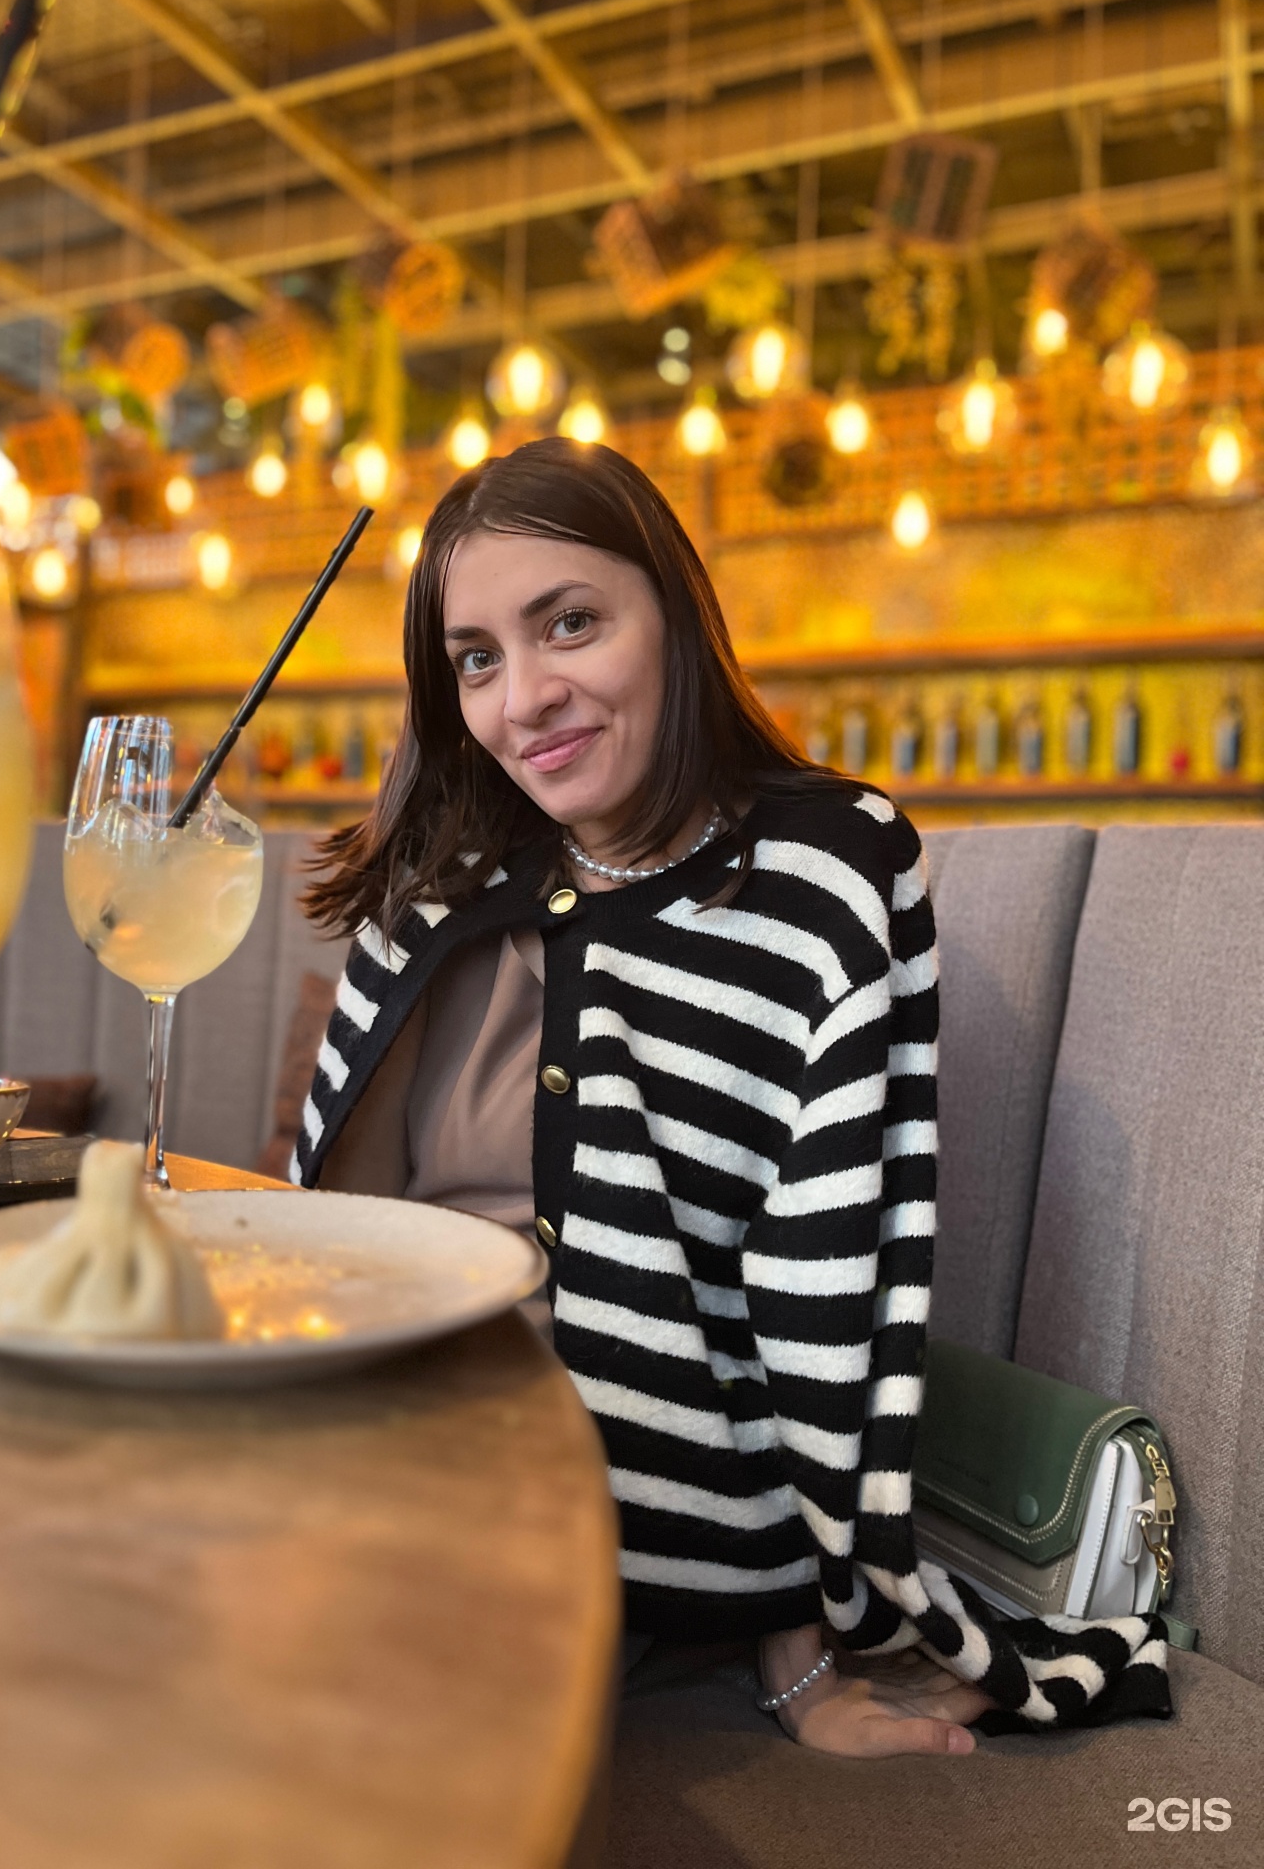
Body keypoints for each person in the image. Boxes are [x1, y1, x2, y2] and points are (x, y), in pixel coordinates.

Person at [296, 437, 1173, 1757]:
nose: (524, 698)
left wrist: (799, 1667)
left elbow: (822, 1301)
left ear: (673, 614)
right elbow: (327, 1246)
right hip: (361, 1457)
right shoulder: (438, 888)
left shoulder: (824, 877)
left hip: (574, 1527)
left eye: (570, 623)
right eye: (476, 658)